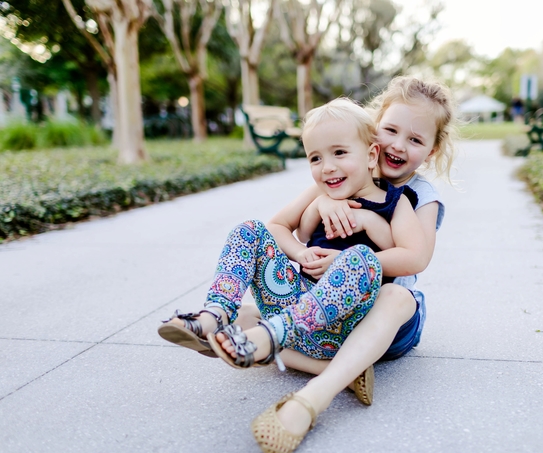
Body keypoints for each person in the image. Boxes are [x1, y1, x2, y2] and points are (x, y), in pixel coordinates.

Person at [158, 97, 428, 451]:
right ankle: (214, 315)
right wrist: (300, 251)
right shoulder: (321, 192)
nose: (327, 167)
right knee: (250, 229)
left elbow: (411, 256)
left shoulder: (396, 201)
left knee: (360, 257)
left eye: (339, 153)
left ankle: (269, 338)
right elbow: (276, 227)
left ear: (371, 154)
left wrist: (368, 222)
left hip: (343, 324)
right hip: (295, 304)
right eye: (316, 158)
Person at [242, 76, 457, 453]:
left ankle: (313, 397)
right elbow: (280, 226)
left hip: (385, 319)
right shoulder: (342, 166)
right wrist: (322, 205)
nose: (397, 145)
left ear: (433, 150)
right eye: (390, 130)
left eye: (416, 140)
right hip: (326, 308)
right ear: (375, 130)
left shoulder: (421, 196)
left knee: (399, 296)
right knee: (244, 313)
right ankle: (331, 364)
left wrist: (356, 248)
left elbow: (417, 257)